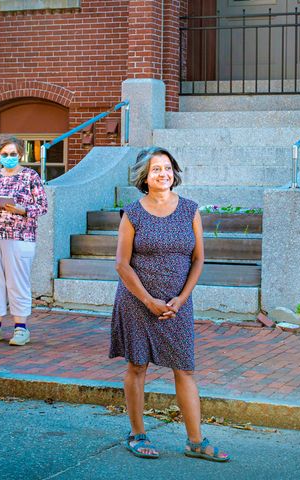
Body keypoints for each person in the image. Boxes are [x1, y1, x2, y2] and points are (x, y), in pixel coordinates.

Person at [109, 147, 230, 462]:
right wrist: (149, 301)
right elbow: (122, 265)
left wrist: (182, 298)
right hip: (138, 301)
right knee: (137, 365)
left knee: (185, 368)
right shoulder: (132, 213)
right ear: (144, 178)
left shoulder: (189, 209)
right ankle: (137, 433)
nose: (163, 174)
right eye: (155, 170)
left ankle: (196, 441)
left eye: (167, 168)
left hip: (178, 302)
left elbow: (198, 258)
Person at [0, 135, 48, 346]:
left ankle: (21, 328)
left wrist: (22, 209)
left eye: (13, 154)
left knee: (18, 282)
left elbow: (42, 206)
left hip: (20, 237)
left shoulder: (30, 176)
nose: (9, 157)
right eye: (4, 154)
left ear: (20, 155)